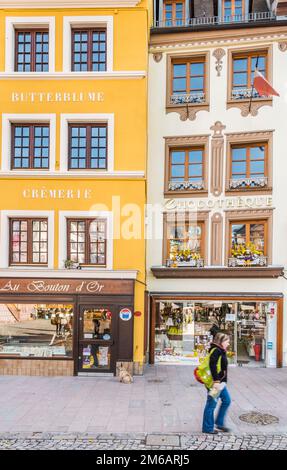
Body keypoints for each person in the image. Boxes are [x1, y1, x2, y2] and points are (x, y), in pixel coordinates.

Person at [202, 332, 232, 434]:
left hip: (221, 384)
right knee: (211, 404)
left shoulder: (221, 350)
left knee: (227, 400)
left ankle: (219, 423)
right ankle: (207, 428)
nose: (228, 343)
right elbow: (212, 365)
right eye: (227, 341)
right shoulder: (216, 351)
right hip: (216, 384)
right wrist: (216, 381)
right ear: (221, 342)